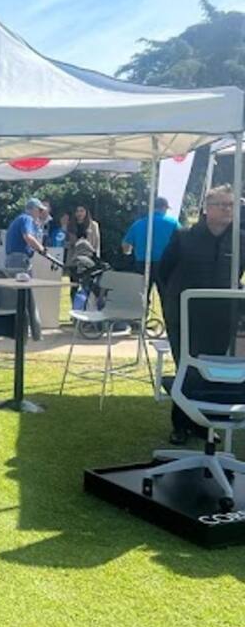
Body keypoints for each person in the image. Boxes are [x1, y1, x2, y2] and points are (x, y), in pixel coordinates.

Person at [158, 184, 245, 445]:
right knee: (186, 367)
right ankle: (180, 425)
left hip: (221, 317)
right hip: (184, 316)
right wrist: (173, 301)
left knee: (211, 370)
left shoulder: (240, 239)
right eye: (221, 204)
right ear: (207, 208)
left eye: (231, 205)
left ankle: (203, 424)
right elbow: (163, 271)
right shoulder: (184, 236)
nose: (227, 209)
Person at [121, 195, 179, 304]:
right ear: (164, 208)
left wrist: (128, 253)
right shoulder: (173, 223)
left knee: (141, 297)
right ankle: (168, 314)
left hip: (142, 263)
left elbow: (126, 245)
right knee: (166, 297)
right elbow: (182, 241)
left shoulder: (138, 224)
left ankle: (142, 313)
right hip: (165, 263)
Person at [4, 197, 48, 338]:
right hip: (19, 260)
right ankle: (26, 331)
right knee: (23, 295)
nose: (40, 213)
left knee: (19, 295)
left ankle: (24, 330)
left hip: (15, 259)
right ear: (32, 209)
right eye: (39, 210)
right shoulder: (26, 219)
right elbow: (28, 237)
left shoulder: (21, 219)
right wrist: (41, 248)